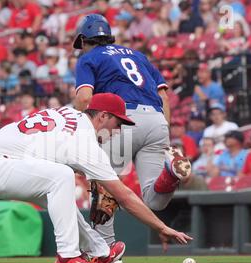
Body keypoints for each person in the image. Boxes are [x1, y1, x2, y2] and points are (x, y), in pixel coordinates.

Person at [0, 93, 192, 263]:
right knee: (61, 176)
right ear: (103, 116)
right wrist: (161, 227)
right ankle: (67, 259)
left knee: (61, 197)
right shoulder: (85, 141)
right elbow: (124, 196)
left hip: (5, 161)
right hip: (0, 165)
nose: (118, 131)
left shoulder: (70, 113)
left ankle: (100, 251)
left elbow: (47, 143)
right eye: (118, 124)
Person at [73, 14, 192, 249]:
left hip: (121, 121)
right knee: (154, 200)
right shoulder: (138, 56)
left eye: (82, 44)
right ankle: (170, 172)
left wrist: (85, 128)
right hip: (156, 121)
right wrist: (163, 134)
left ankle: (104, 250)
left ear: (85, 40)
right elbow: (164, 97)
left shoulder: (89, 58)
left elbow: (85, 98)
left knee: (105, 185)